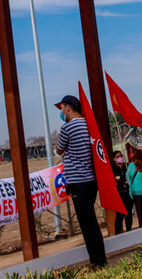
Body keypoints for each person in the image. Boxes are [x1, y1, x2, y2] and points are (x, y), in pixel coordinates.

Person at [55, 95, 107, 267]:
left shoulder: (67, 128)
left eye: (62, 108)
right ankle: (98, 257)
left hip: (77, 181)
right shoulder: (88, 124)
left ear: (68, 107)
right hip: (90, 180)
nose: (62, 112)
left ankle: (98, 259)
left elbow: (59, 150)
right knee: (90, 219)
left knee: (87, 223)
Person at [111, 151, 134, 234]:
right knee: (120, 215)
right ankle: (117, 233)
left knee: (129, 213)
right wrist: (123, 180)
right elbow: (115, 180)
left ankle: (129, 231)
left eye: (120, 156)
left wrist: (121, 178)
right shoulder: (112, 168)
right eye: (117, 157)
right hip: (119, 194)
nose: (120, 158)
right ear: (114, 159)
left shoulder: (127, 166)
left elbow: (130, 177)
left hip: (128, 192)